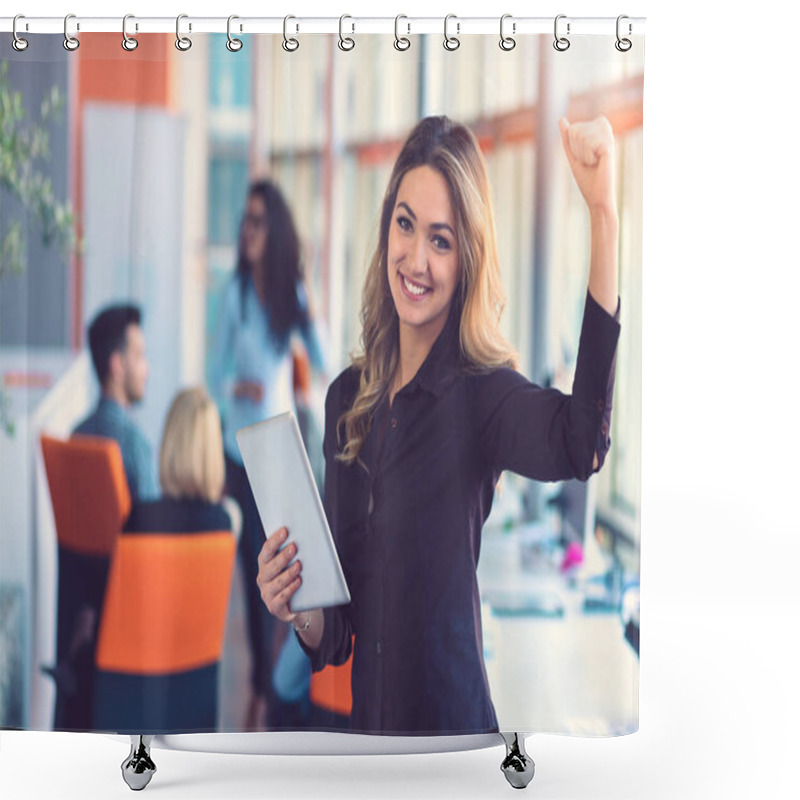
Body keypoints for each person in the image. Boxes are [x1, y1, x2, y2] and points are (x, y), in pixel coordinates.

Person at [256, 114, 621, 735]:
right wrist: (295, 605)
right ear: (386, 229)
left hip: (453, 747)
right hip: (370, 747)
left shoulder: (482, 394)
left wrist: (604, 217)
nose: (416, 259)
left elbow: (580, 443)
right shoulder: (348, 400)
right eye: (405, 225)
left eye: (441, 240)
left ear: (467, 258)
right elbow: (338, 632)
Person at [210, 179, 325, 730]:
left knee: (282, 575)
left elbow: (323, 357)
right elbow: (215, 374)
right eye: (244, 220)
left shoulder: (287, 294)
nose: (247, 230)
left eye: (257, 221)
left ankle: (273, 687)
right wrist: (237, 387)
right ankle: (259, 691)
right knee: (249, 575)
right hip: (238, 454)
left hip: (279, 455)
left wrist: (310, 302)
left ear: (273, 230)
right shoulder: (231, 295)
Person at [73, 303, 158, 503]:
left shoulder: (76, 436)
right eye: (139, 356)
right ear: (118, 365)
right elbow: (152, 531)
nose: (147, 369)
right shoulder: (135, 445)